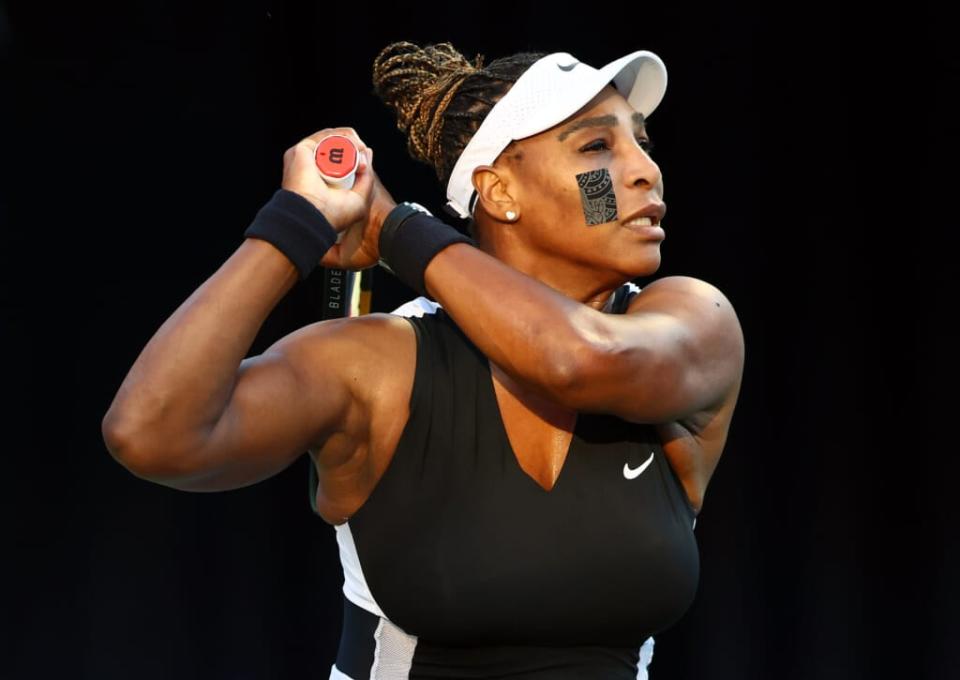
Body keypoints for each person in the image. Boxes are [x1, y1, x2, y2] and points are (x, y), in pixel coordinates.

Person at [102, 40, 745, 680]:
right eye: (597, 147)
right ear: (497, 192)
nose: (645, 171)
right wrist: (295, 225)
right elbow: (151, 434)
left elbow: (574, 359)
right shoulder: (382, 363)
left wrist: (392, 228)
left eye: (643, 143)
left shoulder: (691, 323)